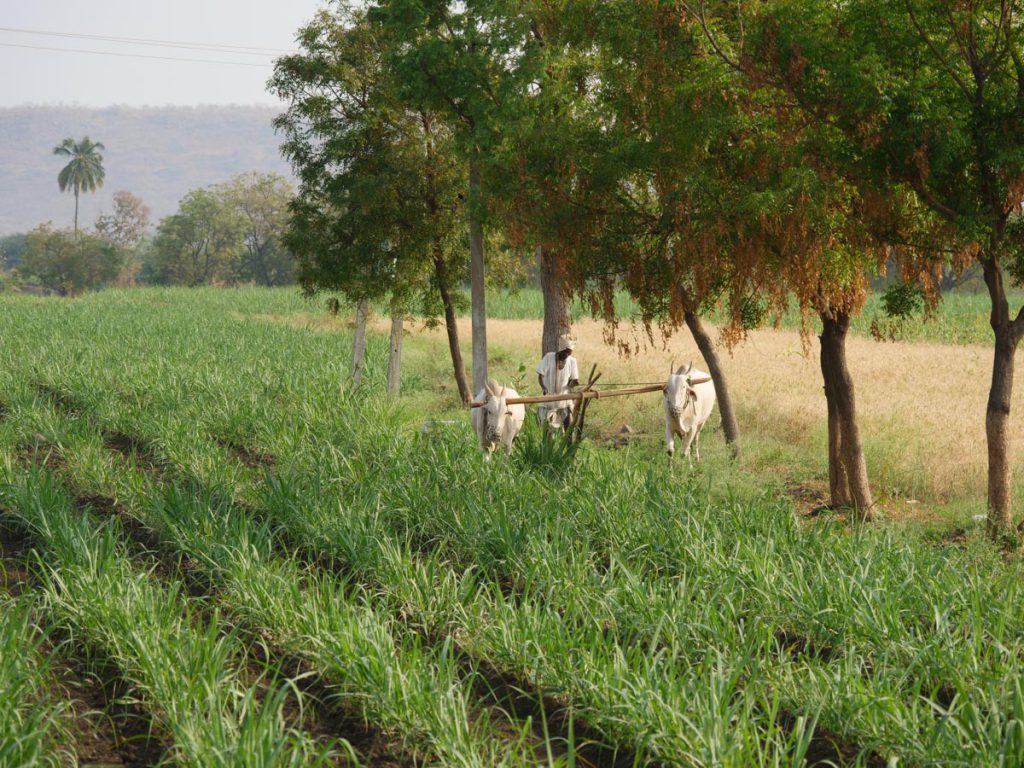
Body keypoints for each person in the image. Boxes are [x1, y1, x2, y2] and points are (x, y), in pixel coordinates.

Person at [536, 334, 580, 431]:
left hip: (564, 401)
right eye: (565, 352)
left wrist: (574, 382)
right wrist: (544, 388)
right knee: (547, 432)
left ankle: (569, 445)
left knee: (569, 429)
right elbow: (540, 376)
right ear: (560, 350)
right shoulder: (549, 357)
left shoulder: (572, 361)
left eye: (569, 353)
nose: (567, 355)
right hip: (548, 401)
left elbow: (571, 383)